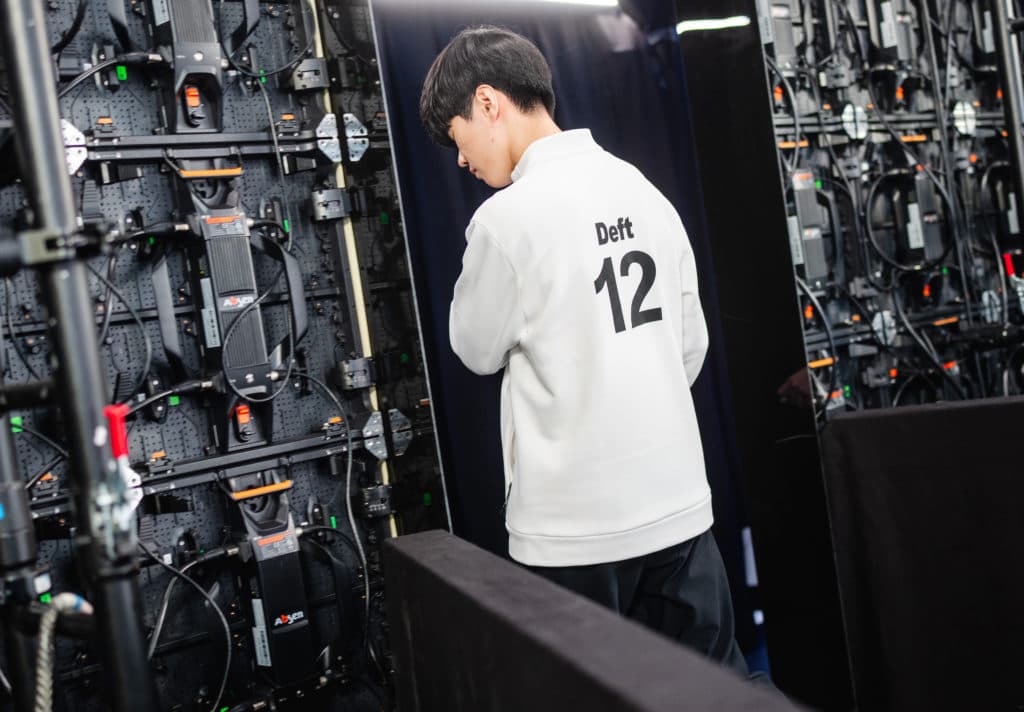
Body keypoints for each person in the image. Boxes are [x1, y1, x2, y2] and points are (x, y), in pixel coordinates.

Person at [419, 25, 748, 676]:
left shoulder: (505, 220)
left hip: (574, 533)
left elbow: (474, 349)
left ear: (487, 102)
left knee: (588, 692)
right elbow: (689, 347)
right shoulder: (643, 188)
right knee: (716, 687)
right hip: (678, 504)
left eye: (457, 138)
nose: (461, 161)